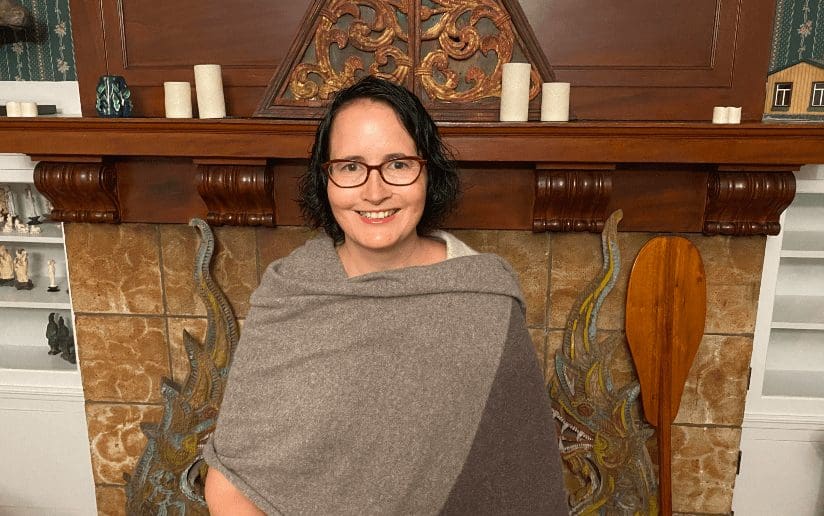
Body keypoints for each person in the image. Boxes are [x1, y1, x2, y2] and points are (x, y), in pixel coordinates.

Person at [203, 76, 568, 515]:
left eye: (397, 164)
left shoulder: (485, 302)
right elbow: (230, 484)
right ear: (325, 179)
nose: (374, 192)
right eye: (350, 167)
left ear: (427, 171)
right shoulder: (288, 295)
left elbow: (520, 480)